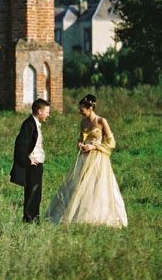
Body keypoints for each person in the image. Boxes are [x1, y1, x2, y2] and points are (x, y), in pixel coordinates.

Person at [45, 93, 128, 227]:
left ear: (90, 109)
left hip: (98, 158)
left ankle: (99, 215)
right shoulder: (82, 122)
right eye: (80, 110)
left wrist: (94, 146)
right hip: (84, 157)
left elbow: (111, 142)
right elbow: (81, 138)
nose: (80, 112)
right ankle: (77, 213)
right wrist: (80, 144)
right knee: (78, 184)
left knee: (97, 185)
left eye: (82, 110)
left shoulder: (102, 121)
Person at [10, 98, 51, 223]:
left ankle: (33, 218)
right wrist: (27, 161)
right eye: (47, 112)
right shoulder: (29, 124)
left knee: (36, 193)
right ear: (39, 111)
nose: (48, 115)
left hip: (37, 163)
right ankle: (30, 219)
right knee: (32, 192)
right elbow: (20, 144)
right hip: (33, 164)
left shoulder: (34, 123)